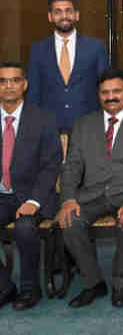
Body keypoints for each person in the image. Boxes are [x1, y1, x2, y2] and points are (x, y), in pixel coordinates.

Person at [58, 68, 123, 308]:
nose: (111, 97)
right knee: (69, 221)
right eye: (105, 92)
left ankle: (120, 283)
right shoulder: (83, 125)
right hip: (91, 194)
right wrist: (68, 198)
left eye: (116, 91)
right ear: (98, 94)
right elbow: (72, 166)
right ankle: (94, 283)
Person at [0, 62, 60, 310]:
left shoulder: (43, 118)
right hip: (2, 195)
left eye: (15, 80)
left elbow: (51, 165)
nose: (9, 86)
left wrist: (33, 201)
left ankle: (29, 289)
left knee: (25, 228)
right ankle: (4, 286)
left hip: (34, 195)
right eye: (3, 81)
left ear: (24, 85)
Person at [27, 0, 109, 136]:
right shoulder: (37, 49)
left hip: (89, 128)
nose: (64, 16)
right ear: (50, 17)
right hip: (49, 130)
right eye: (58, 12)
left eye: (68, 11)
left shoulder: (96, 47)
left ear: (77, 15)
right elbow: (34, 92)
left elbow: (105, 88)